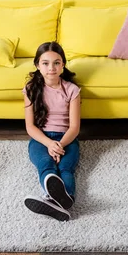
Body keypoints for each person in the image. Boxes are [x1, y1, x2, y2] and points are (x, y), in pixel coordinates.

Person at [22, 41, 81, 221]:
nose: (51, 68)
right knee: (45, 164)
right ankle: (58, 200)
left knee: (65, 168)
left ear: (63, 64)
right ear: (38, 65)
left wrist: (60, 145)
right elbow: (30, 127)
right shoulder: (31, 89)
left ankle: (61, 200)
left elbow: (74, 127)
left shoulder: (72, 90)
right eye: (45, 63)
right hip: (41, 139)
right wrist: (49, 144)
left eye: (56, 62)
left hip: (67, 139)